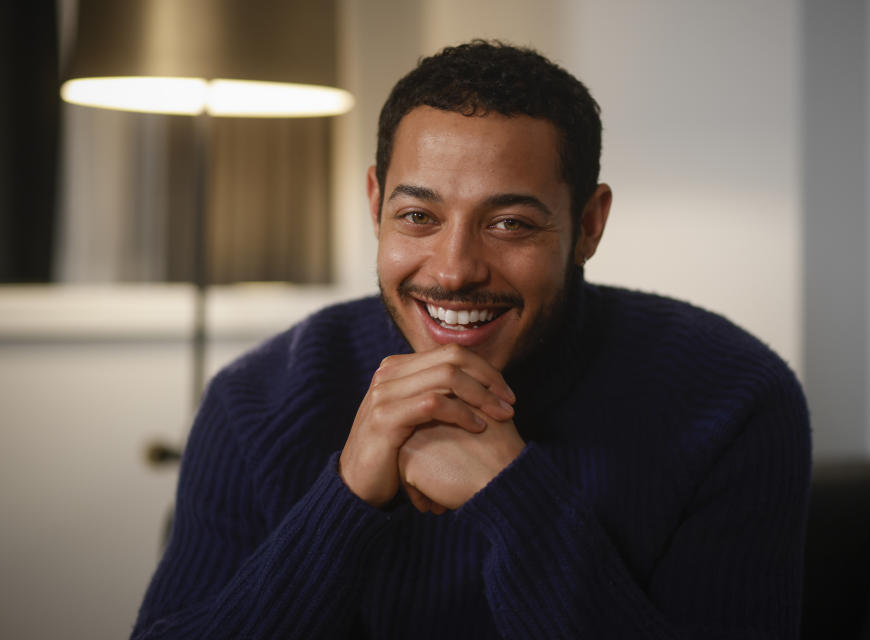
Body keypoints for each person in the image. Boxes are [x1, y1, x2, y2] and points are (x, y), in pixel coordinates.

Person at [132, 40, 810, 639]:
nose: (454, 269)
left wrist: (514, 497)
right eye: (419, 215)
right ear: (375, 205)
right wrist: (345, 495)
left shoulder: (733, 400)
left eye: (510, 223)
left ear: (589, 225)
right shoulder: (256, 400)